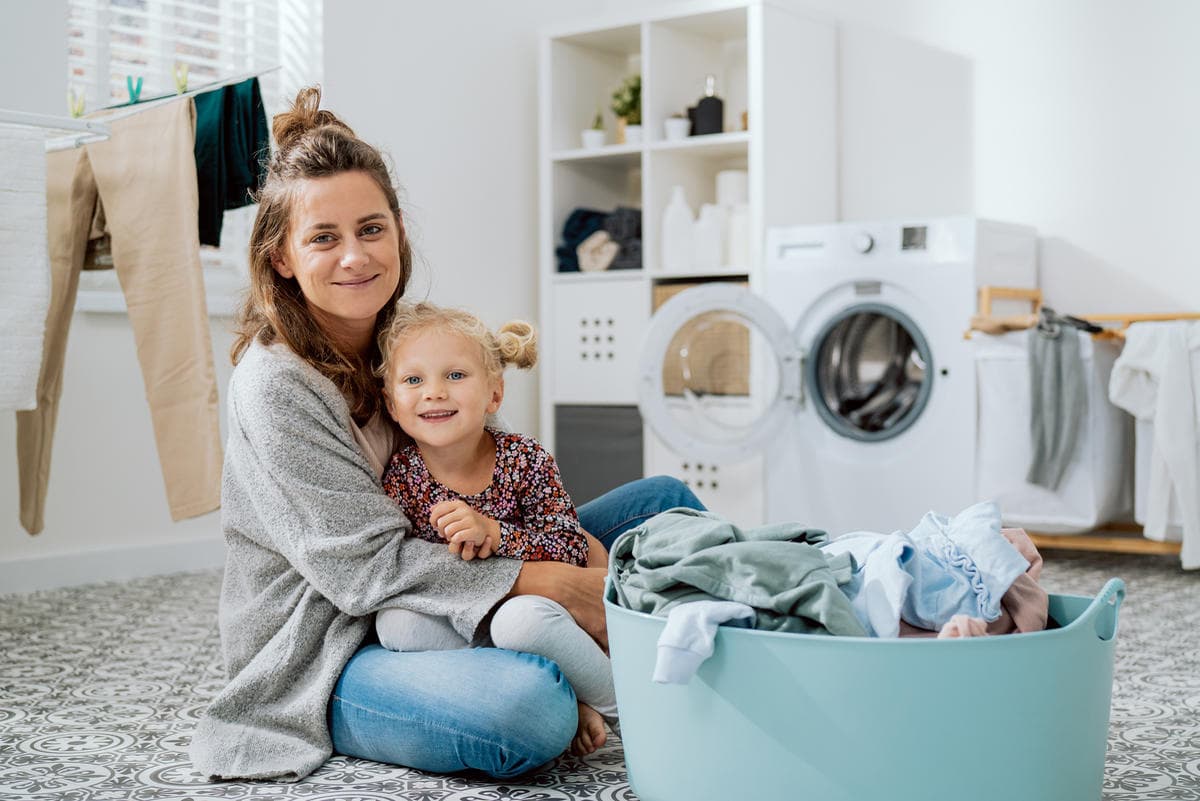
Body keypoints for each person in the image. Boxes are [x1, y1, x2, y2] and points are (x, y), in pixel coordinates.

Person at [189, 85, 704, 783]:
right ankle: (597, 663)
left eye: (371, 228)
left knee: (663, 504)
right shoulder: (276, 383)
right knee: (530, 710)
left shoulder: (404, 343)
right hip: (339, 641)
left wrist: (561, 542)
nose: (355, 257)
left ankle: (716, 640)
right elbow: (365, 571)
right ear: (281, 257)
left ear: (398, 230)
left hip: (453, 573)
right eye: (323, 237)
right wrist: (553, 582)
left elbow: (490, 470)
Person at [372, 301, 619, 756]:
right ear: (392, 403)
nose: (434, 392)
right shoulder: (402, 475)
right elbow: (403, 568)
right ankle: (552, 686)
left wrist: (498, 535)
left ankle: (620, 702)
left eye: (455, 376)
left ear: (494, 395)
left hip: (530, 613)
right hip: (462, 620)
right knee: (396, 625)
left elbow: (569, 547)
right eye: (413, 380)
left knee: (518, 622)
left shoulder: (525, 459)